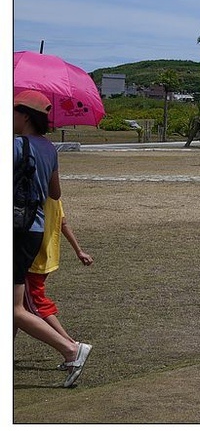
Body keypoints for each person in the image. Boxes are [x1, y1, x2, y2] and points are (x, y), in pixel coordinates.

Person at [13, 89, 93, 387]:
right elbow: (55, 193)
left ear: (24, 115)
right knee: (14, 304)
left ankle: (71, 348)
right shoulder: (49, 148)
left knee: (14, 308)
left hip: (16, 229)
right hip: (34, 229)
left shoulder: (16, 146)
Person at [22, 197, 94, 359]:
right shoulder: (55, 198)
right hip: (47, 258)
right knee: (19, 306)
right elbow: (63, 223)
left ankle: (71, 345)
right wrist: (79, 251)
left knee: (35, 305)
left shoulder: (34, 196)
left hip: (32, 260)